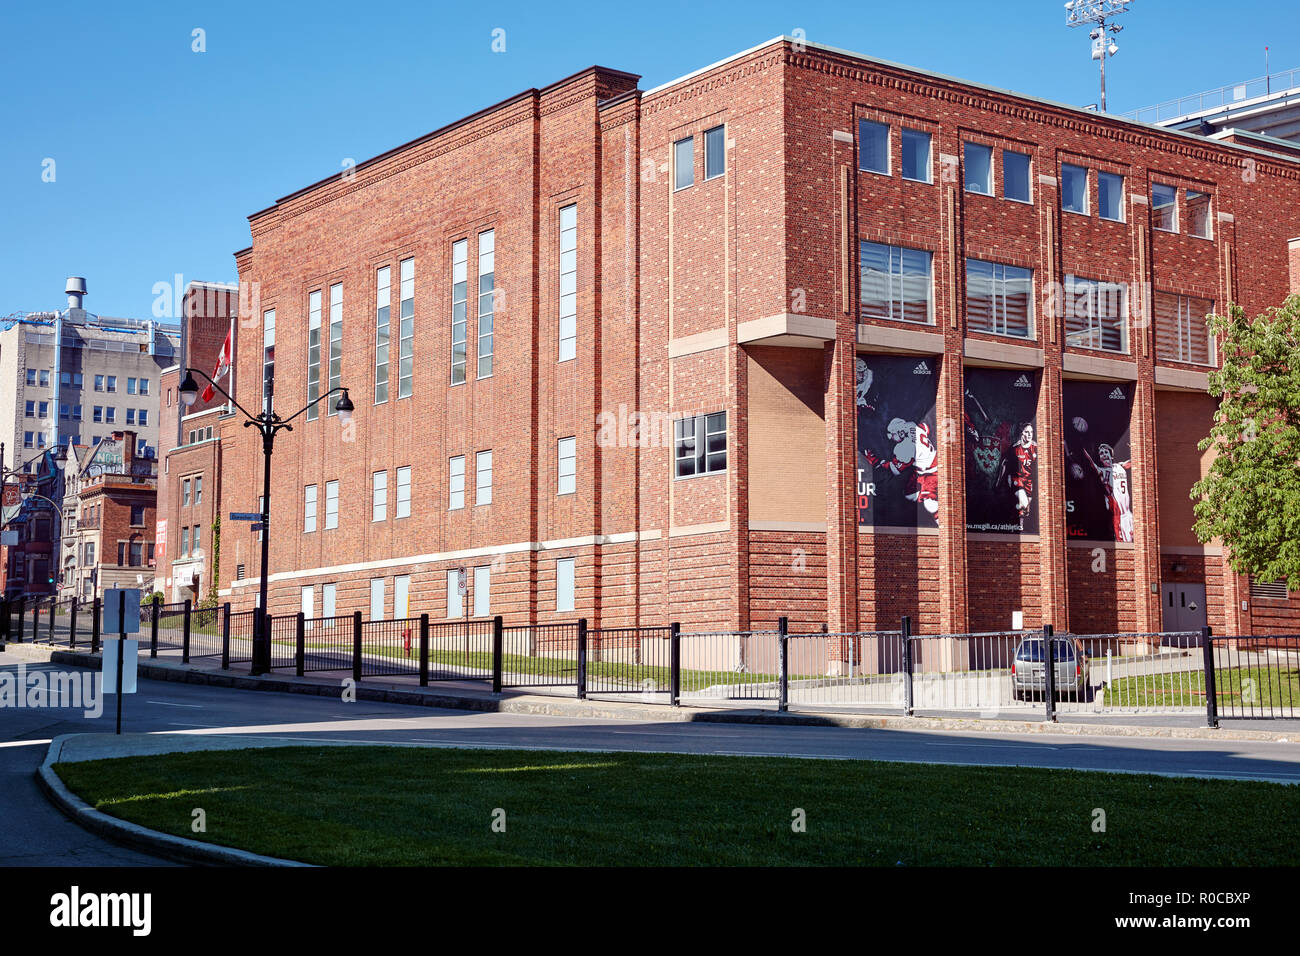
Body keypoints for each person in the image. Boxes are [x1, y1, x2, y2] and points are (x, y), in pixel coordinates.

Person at [863, 418, 939, 516]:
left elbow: (895, 470)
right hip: (929, 463)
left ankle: (942, 521)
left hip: (929, 472)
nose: (891, 437)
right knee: (909, 492)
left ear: (901, 433)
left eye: (893, 434)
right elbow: (926, 428)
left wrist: (875, 461)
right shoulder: (913, 426)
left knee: (929, 504)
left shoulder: (905, 447)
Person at [1084, 443, 1133, 542]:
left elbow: (1133, 462)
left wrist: (1135, 449)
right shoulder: (1102, 471)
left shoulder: (1119, 466)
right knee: (1127, 546)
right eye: (1101, 453)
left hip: (1129, 513)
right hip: (1119, 518)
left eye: (1106, 452)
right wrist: (1082, 448)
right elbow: (1090, 462)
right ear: (1100, 458)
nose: (1104, 454)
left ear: (1111, 456)